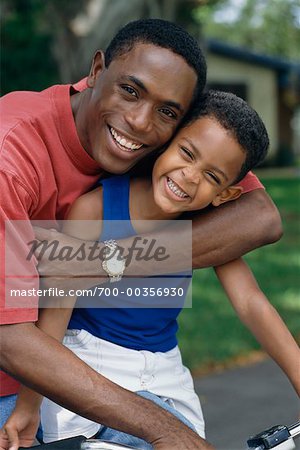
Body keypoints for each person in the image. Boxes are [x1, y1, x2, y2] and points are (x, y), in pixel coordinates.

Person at [0, 18, 282, 450]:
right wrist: (164, 429)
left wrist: (100, 264)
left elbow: (261, 218)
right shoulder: (14, 154)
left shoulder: (175, 160)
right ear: (96, 72)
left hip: (154, 374)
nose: (138, 122)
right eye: (130, 91)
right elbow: (17, 334)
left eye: (167, 112)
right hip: (26, 374)